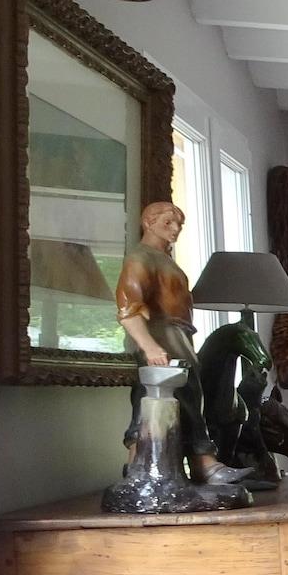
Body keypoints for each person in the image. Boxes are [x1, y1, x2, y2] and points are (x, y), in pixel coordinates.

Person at [116, 201, 247, 486]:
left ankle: (173, 462)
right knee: (174, 394)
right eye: (168, 223)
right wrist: (150, 346)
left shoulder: (163, 259)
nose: (175, 229)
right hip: (163, 333)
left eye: (179, 224)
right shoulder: (141, 259)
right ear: (148, 223)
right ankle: (198, 462)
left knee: (188, 395)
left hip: (178, 333)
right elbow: (128, 307)